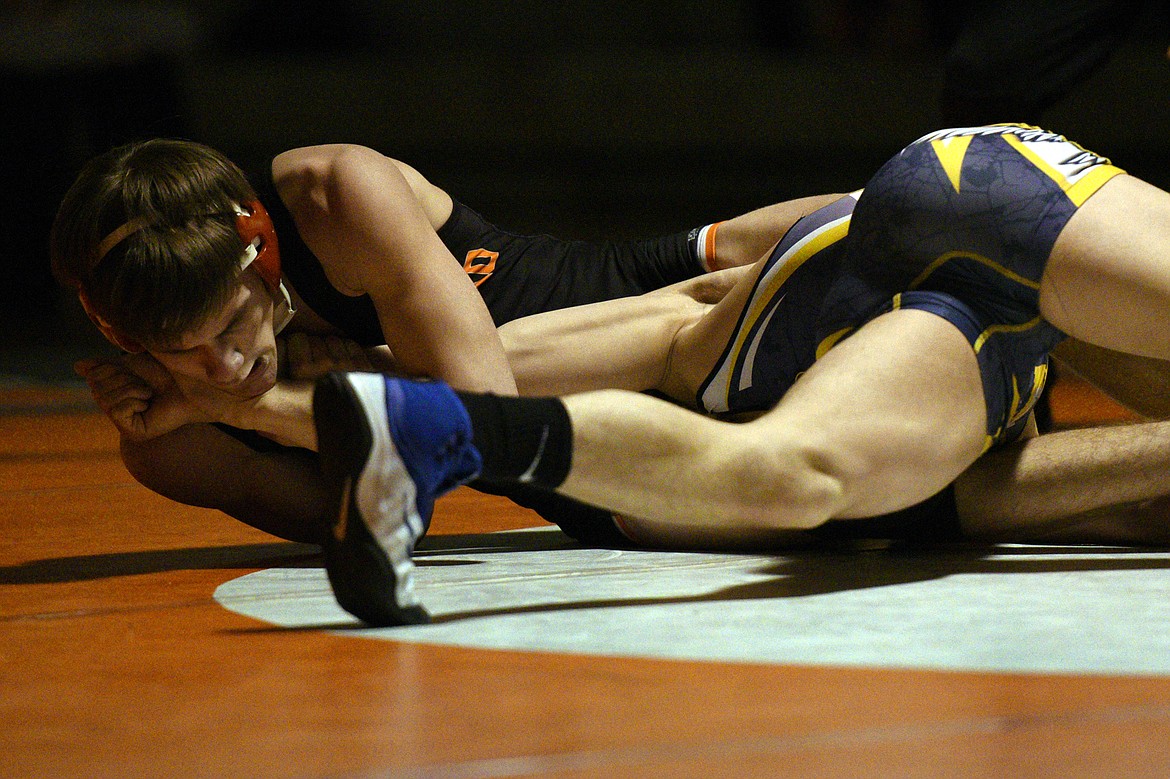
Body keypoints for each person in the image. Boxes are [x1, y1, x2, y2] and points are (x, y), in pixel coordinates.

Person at [308, 123, 1170, 626]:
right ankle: (438, 428)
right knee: (793, 476)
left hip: (958, 253)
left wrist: (294, 397)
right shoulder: (681, 353)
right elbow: (692, 291)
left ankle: (435, 432)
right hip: (973, 208)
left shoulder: (696, 360)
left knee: (793, 477)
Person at [52, 136, 827, 542]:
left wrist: (334, 391)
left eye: (231, 323)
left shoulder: (333, 196)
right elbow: (405, 505)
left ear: (263, 249)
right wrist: (265, 410)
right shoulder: (167, 437)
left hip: (637, 296)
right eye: (182, 352)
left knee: (911, 210)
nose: (222, 364)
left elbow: (480, 404)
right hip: (605, 476)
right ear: (120, 335)